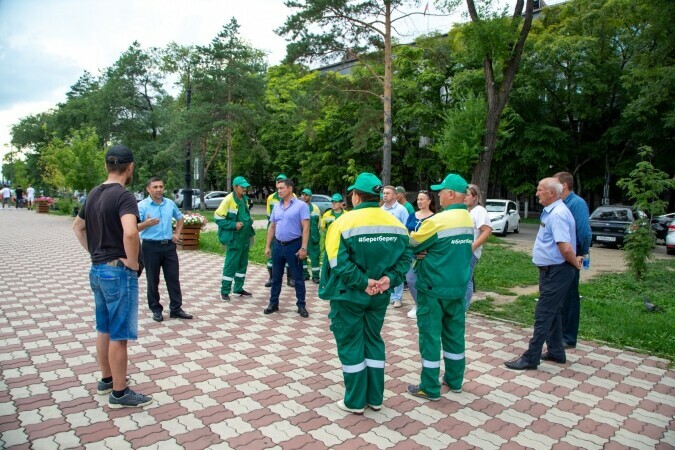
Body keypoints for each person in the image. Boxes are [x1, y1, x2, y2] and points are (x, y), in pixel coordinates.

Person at [319, 172, 411, 414]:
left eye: (352, 193)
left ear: (357, 197)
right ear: (378, 196)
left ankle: (355, 401)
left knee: (350, 343)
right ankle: (375, 398)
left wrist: (363, 282)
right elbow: (406, 258)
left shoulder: (342, 223)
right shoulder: (397, 224)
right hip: (379, 295)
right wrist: (388, 279)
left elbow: (337, 262)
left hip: (349, 294)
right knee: (373, 341)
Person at [72, 144, 153, 408]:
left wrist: (95, 253)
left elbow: (78, 225)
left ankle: (106, 379)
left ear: (107, 166)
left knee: (103, 328)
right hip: (117, 273)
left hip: (97, 270)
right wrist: (130, 262)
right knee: (119, 334)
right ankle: (120, 392)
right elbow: (130, 232)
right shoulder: (124, 196)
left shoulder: (94, 193)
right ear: (130, 168)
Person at [406, 174, 474, 401]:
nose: (438, 196)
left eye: (441, 192)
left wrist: (420, 250)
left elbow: (413, 242)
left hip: (433, 288)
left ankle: (429, 387)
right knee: (455, 336)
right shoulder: (467, 219)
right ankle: (454, 381)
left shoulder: (437, 221)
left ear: (451, 194)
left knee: (430, 337)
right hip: (457, 288)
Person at [505, 178, 580, 371]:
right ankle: (556, 352)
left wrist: (575, 263)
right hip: (551, 270)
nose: (537, 193)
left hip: (558, 270)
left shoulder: (558, 214)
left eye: (540, 190)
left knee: (544, 313)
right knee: (552, 313)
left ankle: (531, 357)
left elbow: (564, 246)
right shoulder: (553, 212)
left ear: (552, 193)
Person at [137, 177, 193, 322]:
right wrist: (146, 224)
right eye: (155, 187)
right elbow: (133, 227)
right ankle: (156, 309)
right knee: (153, 279)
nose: (159, 189)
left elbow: (180, 219)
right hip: (150, 247)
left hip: (168, 246)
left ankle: (176, 308)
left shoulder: (170, 204)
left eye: (161, 186)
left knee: (173, 278)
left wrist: (177, 234)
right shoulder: (142, 206)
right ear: (148, 189)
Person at [554, 171, 592, 349]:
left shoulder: (576, 203)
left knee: (570, 296)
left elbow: (583, 230)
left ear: (564, 185)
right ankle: (560, 333)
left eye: (555, 183)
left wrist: (582, 252)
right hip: (560, 255)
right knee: (561, 296)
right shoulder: (560, 203)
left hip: (572, 253)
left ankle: (569, 337)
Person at [264, 178, 310, 318]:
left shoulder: (301, 206)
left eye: (282, 188)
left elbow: (306, 227)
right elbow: (272, 226)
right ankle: (273, 304)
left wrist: (303, 247)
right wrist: (267, 246)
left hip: (294, 245)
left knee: (298, 278)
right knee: (276, 277)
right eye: (278, 188)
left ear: (290, 188)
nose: (279, 191)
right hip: (278, 246)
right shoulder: (276, 207)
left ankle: (301, 305)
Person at [215, 176, 255, 301]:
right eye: (242, 187)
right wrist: (233, 225)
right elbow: (218, 218)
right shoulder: (228, 200)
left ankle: (238, 289)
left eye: (245, 187)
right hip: (235, 238)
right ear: (235, 187)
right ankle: (225, 291)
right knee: (231, 264)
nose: (245, 189)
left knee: (242, 264)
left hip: (245, 237)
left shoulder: (244, 199)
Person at [405, 190, 436, 319]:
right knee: (411, 280)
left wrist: (424, 250)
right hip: (412, 253)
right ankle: (419, 304)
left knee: (425, 282)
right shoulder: (412, 215)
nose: (419, 201)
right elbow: (406, 232)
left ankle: (427, 306)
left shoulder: (434, 217)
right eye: (418, 199)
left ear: (429, 201)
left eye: (422, 199)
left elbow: (435, 237)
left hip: (426, 255)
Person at [464, 184, 493, 312]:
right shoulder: (465, 210)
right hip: (460, 250)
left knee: (466, 280)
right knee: (460, 279)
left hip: (471, 252)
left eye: (467, 195)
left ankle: (464, 309)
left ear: (475, 197)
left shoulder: (480, 211)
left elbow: (487, 231)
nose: (464, 197)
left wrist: (473, 246)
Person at [381, 185, 409, 308]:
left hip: (397, 246)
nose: (384, 195)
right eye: (383, 193)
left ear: (394, 195)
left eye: (387, 193)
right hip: (383, 245)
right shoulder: (380, 210)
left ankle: (396, 298)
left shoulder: (401, 210)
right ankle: (385, 294)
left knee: (396, 271)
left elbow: (406, 228)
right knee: (384, 270)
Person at [265, 174, 295, 288]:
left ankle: (290, 278)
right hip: (275, 230)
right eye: (277, 182)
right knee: (272, 255)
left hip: (288, 231)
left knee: (289, 256)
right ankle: (271, 278)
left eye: (281, 183)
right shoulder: (271, 198)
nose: (278, 184)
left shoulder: (294, 196)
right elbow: (269, 215)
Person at [300, 188, 322, 283]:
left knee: (315, 257)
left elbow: (319, 224)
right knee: (302, 257)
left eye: (306, 195)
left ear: (310, 196)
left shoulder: (316, 208)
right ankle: (305, 274)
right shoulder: (298, 207)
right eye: (302, 194)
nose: (304, 197)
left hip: (313, 238)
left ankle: (316, 276)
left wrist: (317, 234)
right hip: (301, 237)